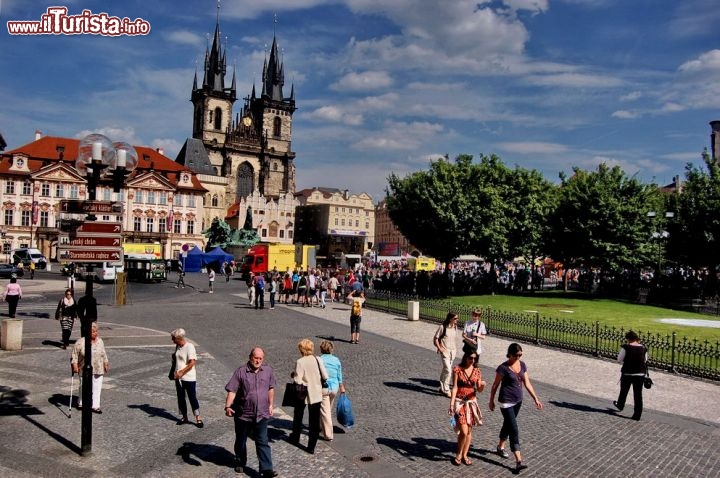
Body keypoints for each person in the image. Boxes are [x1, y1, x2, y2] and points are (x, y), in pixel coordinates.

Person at [488, 343, 543, 472]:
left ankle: (500, 447)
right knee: (514, 429)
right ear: (510, 354)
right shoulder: (503, 368)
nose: (519, 357)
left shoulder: (522, 365)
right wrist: (491, 400)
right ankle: (518, 461)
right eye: (517, 355)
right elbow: (495, 385)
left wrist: (535, 398)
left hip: (518, 401)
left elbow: (527, 383)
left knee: (508, 424)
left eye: (520, 355)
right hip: (506, 402)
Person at [224, 347, 278, 477]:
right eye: (256, 358)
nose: (258, 360)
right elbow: (232, 390)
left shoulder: (268, 371)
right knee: (241, 441)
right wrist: (227, 406)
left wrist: (271, 404)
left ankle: (266, 469)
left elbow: (271, 388)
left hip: (262, 414)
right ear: (250, 357)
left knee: (262, 441)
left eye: (260, 358)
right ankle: (240, 462)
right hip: (243, 415)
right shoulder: (241, 372)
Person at [289, 338, 329, 454]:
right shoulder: (317, 359)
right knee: (314, 421)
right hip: (316, 393)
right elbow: (325, 376)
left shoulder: (300, 362)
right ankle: (311, 447)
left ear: (302, 349)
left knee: (298, 416)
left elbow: (298, 380)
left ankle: (295, 437)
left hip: (303, 393)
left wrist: (296, 376)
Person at [448, 351, 485, 466]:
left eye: (475, 358)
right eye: (470, 358)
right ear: (465, 357)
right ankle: (458, 454)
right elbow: (454, 388)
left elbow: (479, 389)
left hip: (471, 403)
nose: (472, 361)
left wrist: (482, 385)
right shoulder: (457, 369)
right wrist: (451, 403)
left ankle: (464, 455)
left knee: (468, 431)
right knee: (463, 431)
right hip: (460, 403)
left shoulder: (477, 371)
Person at [71, 322, 109, 413]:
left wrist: (106, 362)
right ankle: (81, 402)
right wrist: (74, 365)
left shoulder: (100, 341)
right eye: (93, 332)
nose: (95, 333)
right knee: (83, 386)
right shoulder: (80, 342)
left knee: (97, 386)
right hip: (84, 367)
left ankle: (95, 405)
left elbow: (103, 353)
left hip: (98, 367)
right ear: (88, 332)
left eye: (96, 331)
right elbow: (74, 355)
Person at [170, 328, 203, 427]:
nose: (172, 340)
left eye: (173, 338)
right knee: (180, 398)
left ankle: (198, 418)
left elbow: (192, 362)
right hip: (178, 378)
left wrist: (181, 372)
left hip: (189, 377)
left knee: (192, 397)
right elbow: (176, 361)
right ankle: (184, 417)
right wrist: (174, 372)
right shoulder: (177, 346)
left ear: (179, 338)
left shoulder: (190, 347)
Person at [613, 330, 648, 421]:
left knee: (624, 391)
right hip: (640, 374)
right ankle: (637, 414)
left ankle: (620, 405)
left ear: (628, 339)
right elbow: (645, 361)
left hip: (627, 373)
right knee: (638, 394)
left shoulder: (626, 347)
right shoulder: (644, 348)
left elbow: (619, 359)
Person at [319, 340, 346, 441]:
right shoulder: (336, 360)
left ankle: (328, 434)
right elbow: (339, 375)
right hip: (334, 388)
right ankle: (320, 425)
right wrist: (341, 386)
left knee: (325, 412)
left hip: (324, 388)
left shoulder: (319, 359)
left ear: (321, 349)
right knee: (327, 408)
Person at [434, 313, 459, 397]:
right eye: (455, 318)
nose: (457, 320)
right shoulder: (442, 327)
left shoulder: (455, 327)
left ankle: (442, 388)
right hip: (445, 352)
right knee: (448, 370)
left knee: (445, 369)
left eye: (457, 318)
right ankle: (447, 390)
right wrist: (439, 347)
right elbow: (436, 338)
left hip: (453, 352)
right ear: (450, 319)